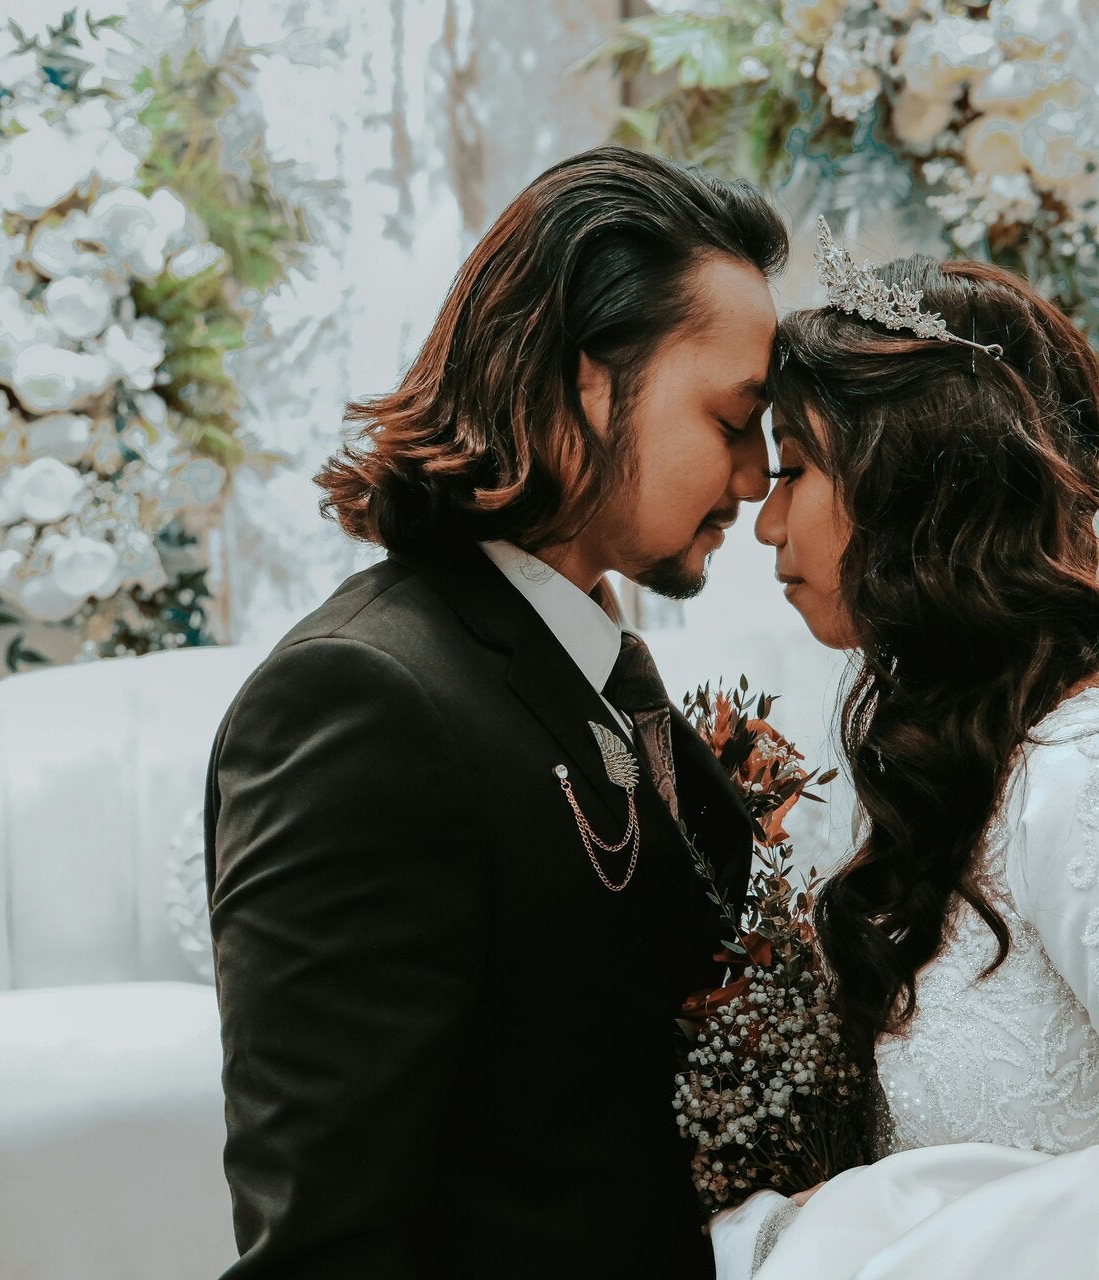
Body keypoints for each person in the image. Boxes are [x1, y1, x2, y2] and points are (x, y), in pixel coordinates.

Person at [203, 146, 785, 1278]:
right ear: (589, 382)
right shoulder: (363, 701)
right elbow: (325, 1244)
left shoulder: (593, 664)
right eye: (733, 419)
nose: (759, 476)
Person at [722, 225, 1099, 1279]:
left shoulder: (1093, 777)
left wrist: (870, 1229)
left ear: (906, 478)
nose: (766, 520)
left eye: (796, 468)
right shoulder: (956, 759)